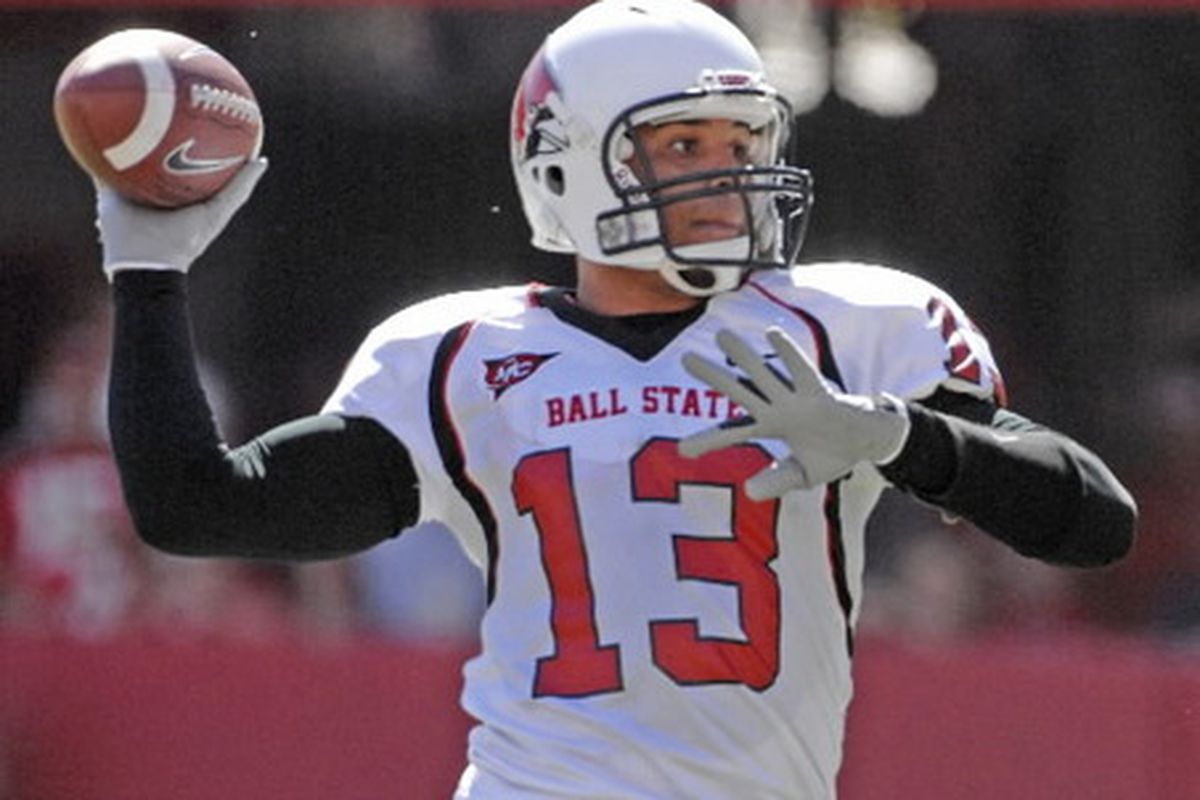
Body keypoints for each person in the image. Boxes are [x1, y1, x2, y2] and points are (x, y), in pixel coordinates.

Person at [93, 1, 1136, 796]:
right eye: (684, 146)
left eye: (742, 145)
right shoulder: (459, 355)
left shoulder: (849, 325)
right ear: (567, 165)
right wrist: (147, 276)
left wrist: (899, 435)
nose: (726, 178)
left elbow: (1094, 520)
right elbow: (198, 507)